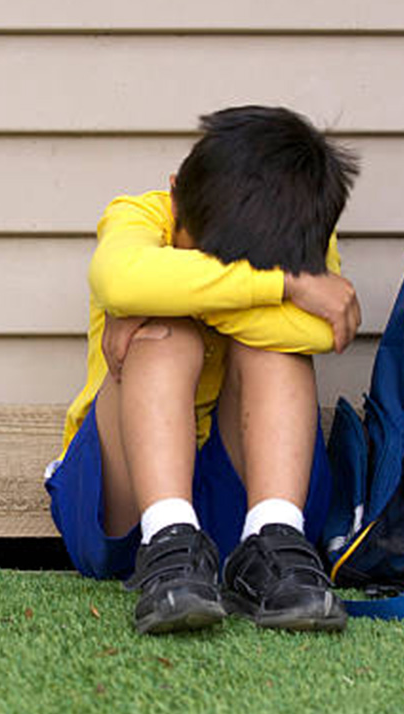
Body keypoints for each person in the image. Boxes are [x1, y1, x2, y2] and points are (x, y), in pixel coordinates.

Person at [44, 106, 361, 635]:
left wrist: (173, 292)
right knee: (167, 338)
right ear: (174, 193)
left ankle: (275, 539)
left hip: (258, 500)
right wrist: (279, 287)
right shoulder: (143, 216)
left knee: (276, 350)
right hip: (126, 507)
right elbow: (119, 279)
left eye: (240, 268)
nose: (215, 275)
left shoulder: (297, 227)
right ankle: (169, 540)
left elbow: (324, 333)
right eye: (201, 262)